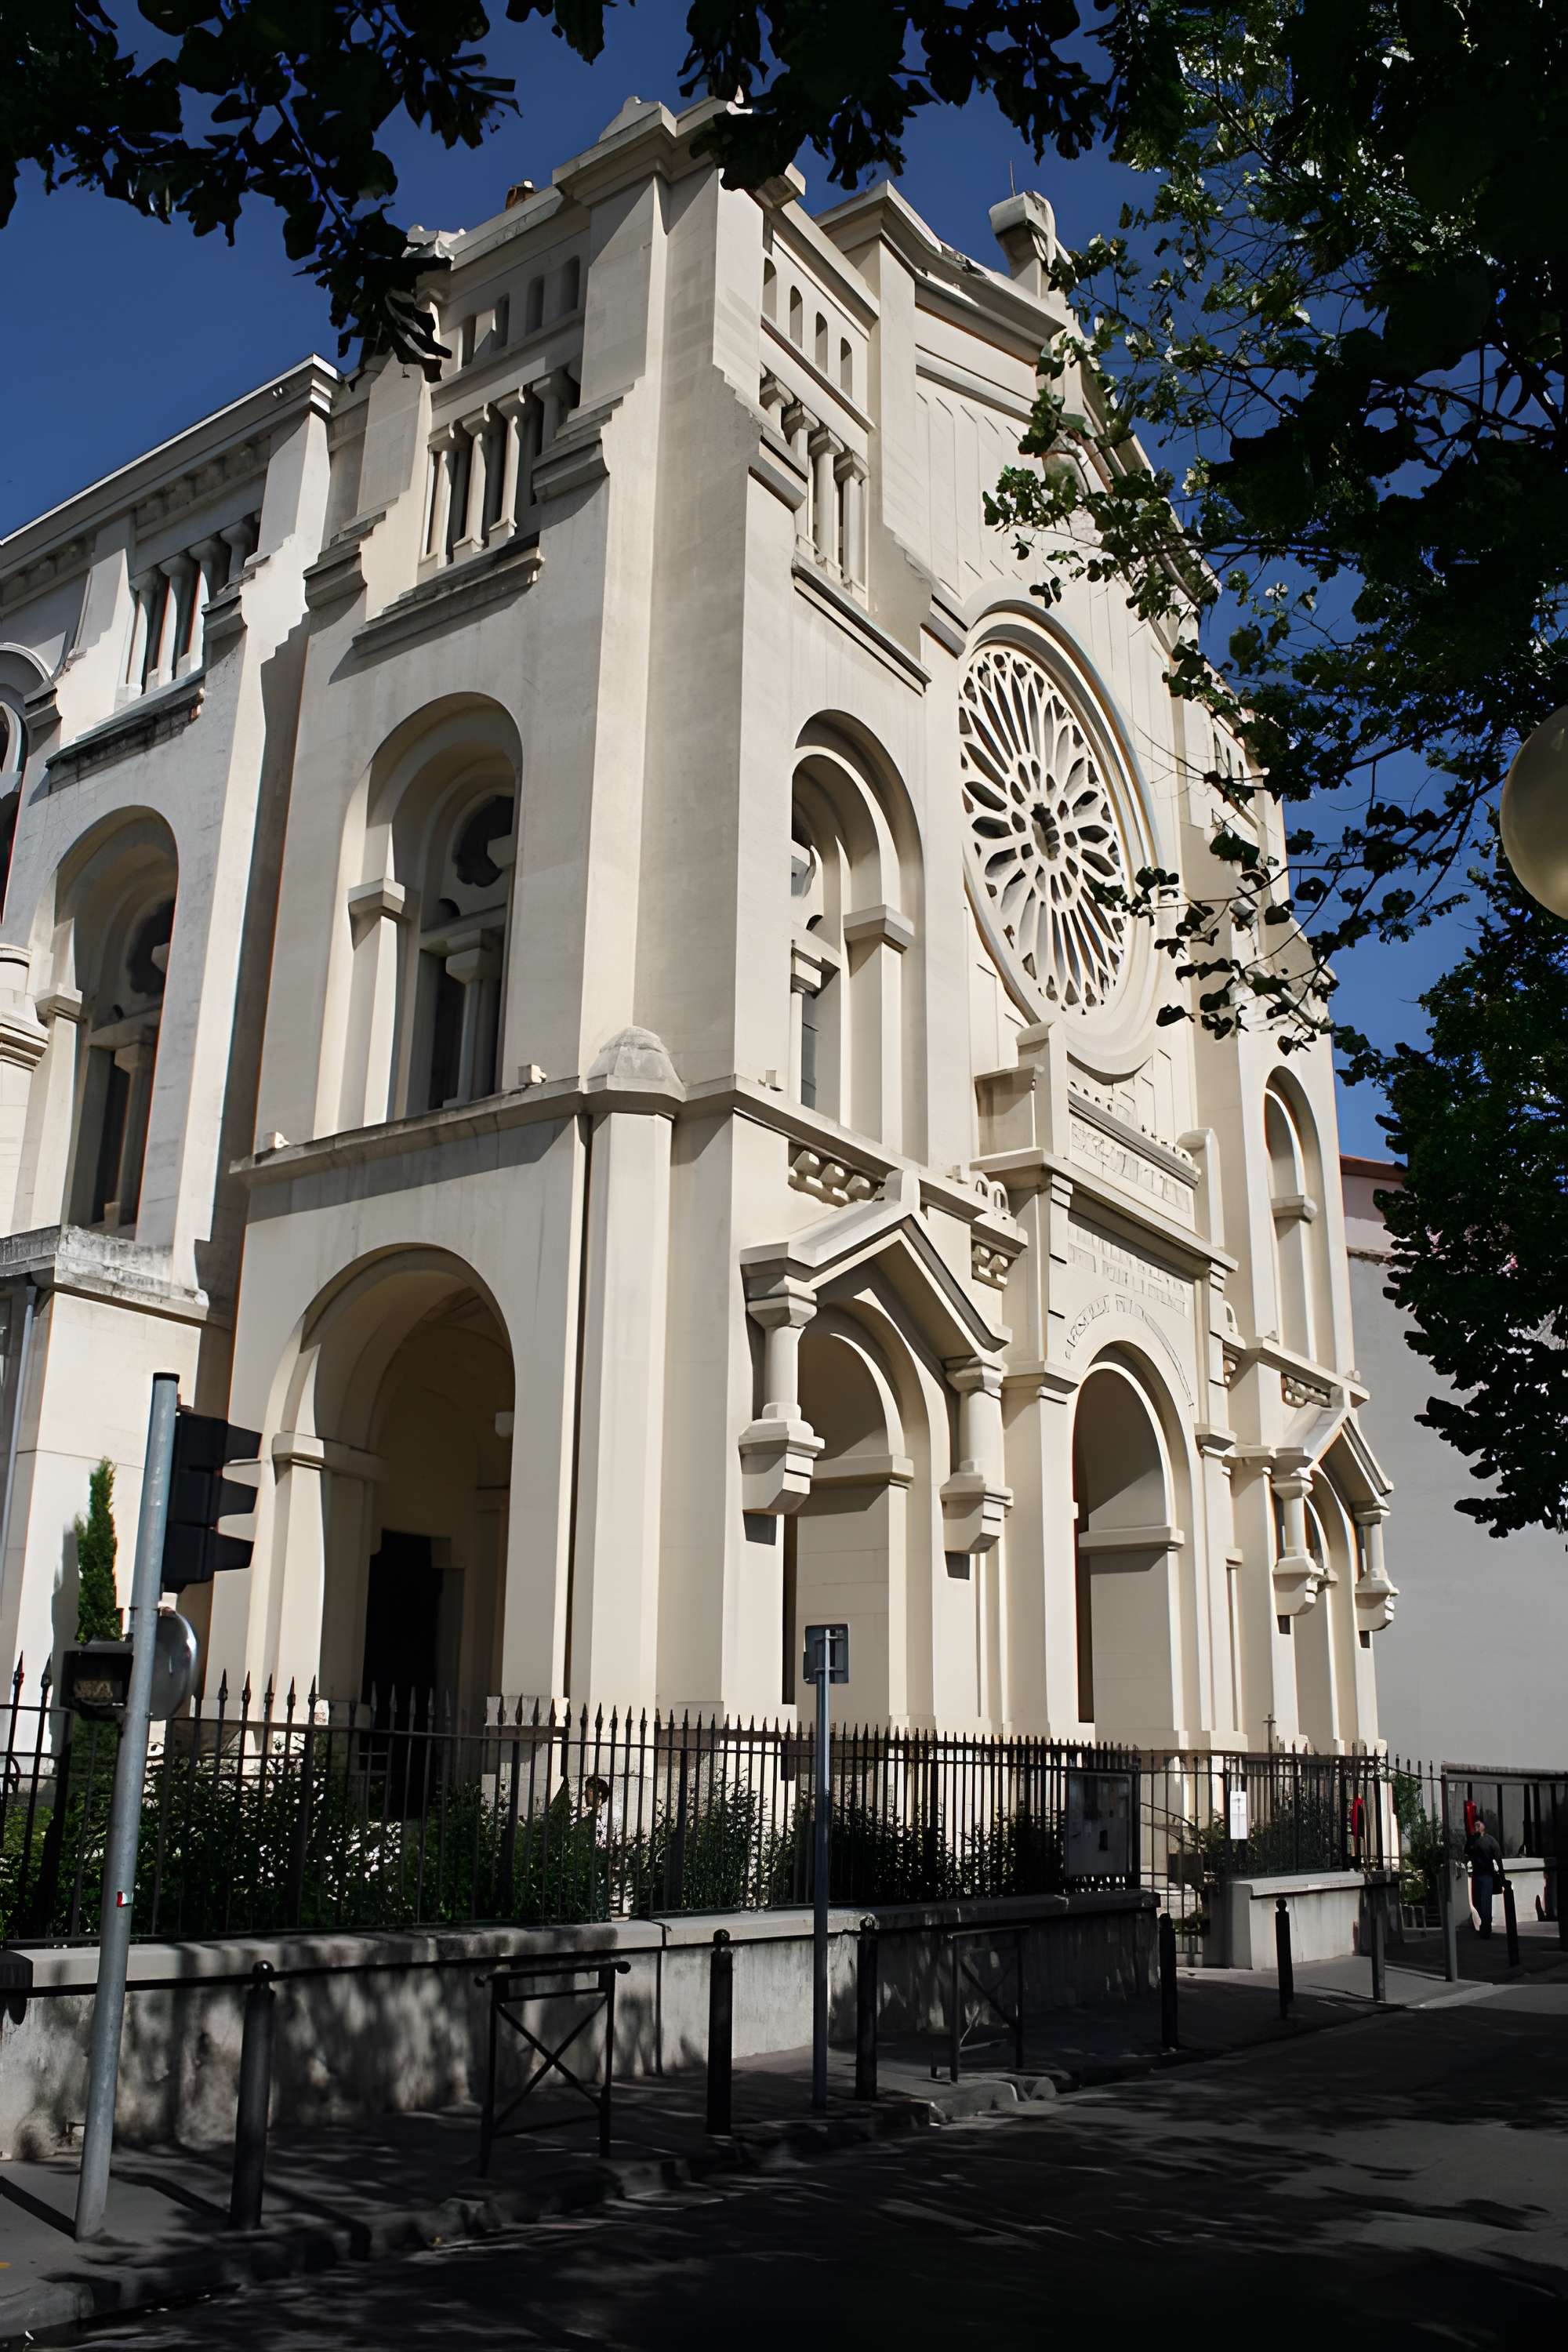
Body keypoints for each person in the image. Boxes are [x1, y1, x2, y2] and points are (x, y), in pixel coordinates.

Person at [1465, 1813, 1505, 1938]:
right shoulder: (1472, 1840)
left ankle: (1486, 1928)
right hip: (1476, 1876)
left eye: (1479, 1824)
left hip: (1487, 1876)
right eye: (1475, 1825)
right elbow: (1466, 1853)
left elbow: (1499, 1859)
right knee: (1478, 1903)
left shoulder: (1491, 1841)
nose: (1476, 1827)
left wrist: (1503, 1878)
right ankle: (1484, 1925)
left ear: (1484, 1826)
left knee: (1486, 1902)